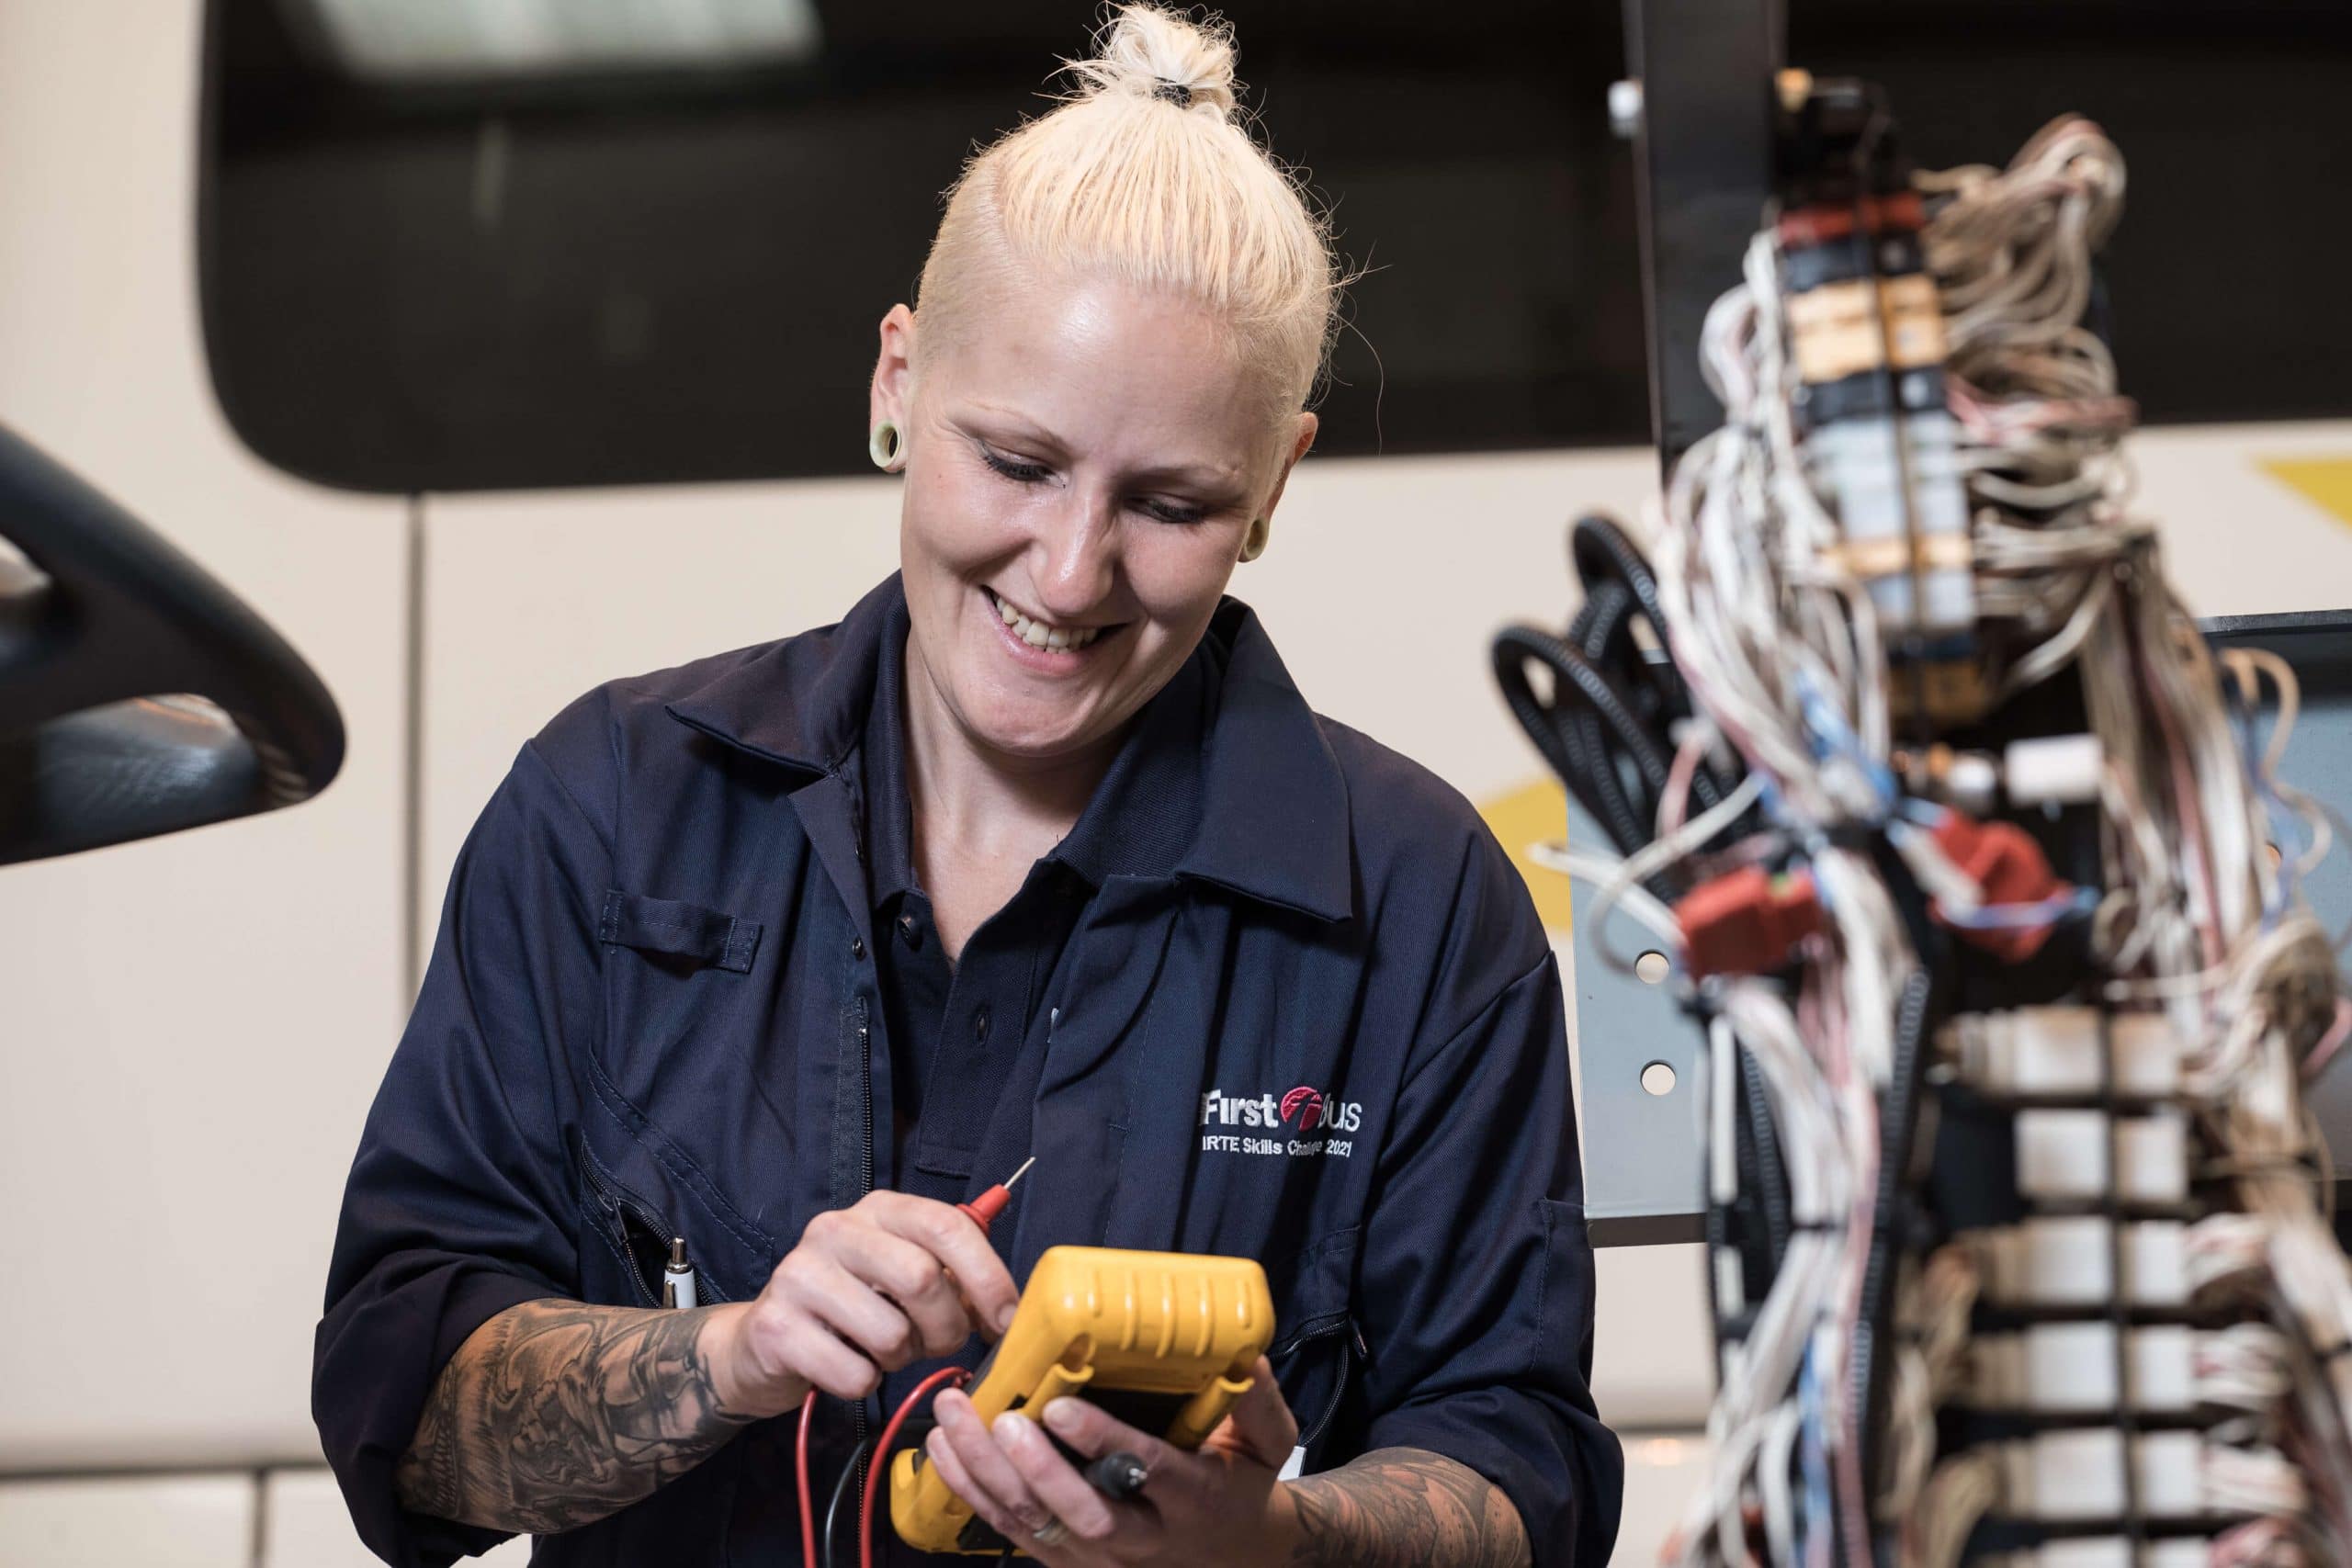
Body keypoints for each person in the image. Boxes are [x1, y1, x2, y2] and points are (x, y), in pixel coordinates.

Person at [313, 7, 1622, 1565]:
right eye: (1015, 463)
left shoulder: (1414, 903)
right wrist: (733, 1354)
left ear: (1273, 487)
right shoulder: (613, 808)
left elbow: (1519, 1474)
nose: (1069, 576)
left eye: (1174, 503)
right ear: (897, 381)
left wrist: (1270, 1544)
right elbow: (410, 1417)